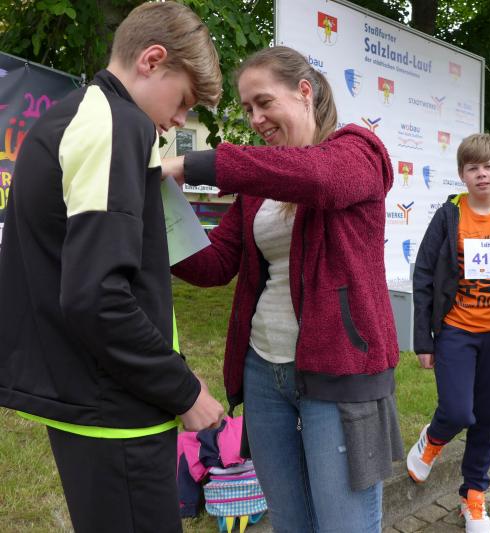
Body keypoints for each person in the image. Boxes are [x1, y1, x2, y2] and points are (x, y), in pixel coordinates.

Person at [0, 3, 225, 532]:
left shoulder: (76, 114)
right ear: (152, 60)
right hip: (116, 408)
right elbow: (98, 296)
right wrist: (184, 391)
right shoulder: (118, 123)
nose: (180, 120)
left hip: (96, 391)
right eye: (183, 101)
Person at [163, 46, 402, 533]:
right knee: (290, 523)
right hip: (263, 374)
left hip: (337, 374)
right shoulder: (260, 185)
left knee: (345, 526)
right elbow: (215, 264)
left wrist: (191, 165)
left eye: (264, 102)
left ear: (304, 91)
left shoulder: (359, 151)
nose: (256, 119)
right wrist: (156, 222)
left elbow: (318, 178)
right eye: (247, 108)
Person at [407, 133, 490, 533]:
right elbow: (423, 276)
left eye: (488, 166)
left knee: (489, 417)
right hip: (457, 330)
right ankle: (433, 438)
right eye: (472, 168)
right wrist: (423, 339)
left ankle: (473, 494)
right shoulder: (448, 216)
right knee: (459, 411)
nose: (481, 174)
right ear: (462, 175)